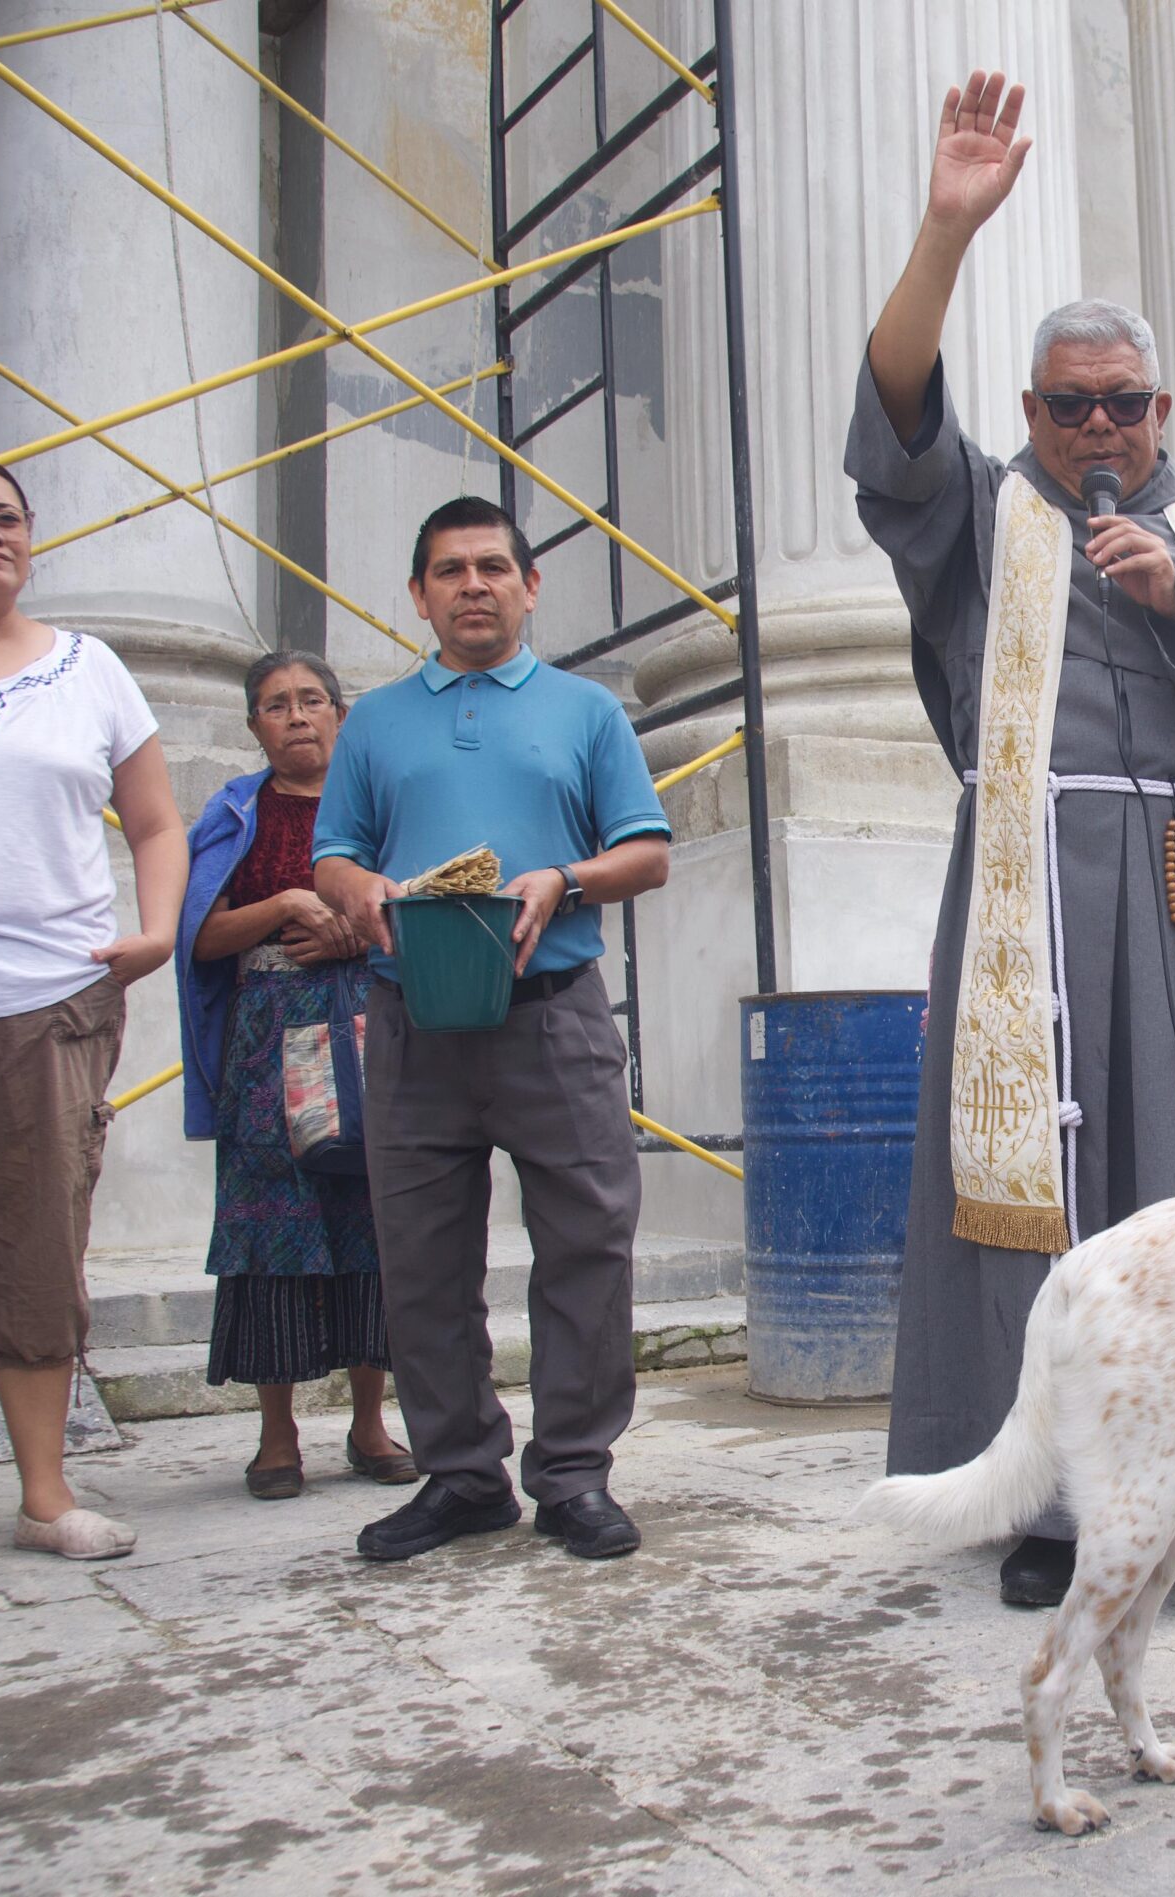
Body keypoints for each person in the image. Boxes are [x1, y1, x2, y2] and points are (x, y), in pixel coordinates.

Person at [849, 71, 1175, 1607]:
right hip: (1037, 905)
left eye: (1123, 404)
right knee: (1048, 1205)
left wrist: (1168, 600)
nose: (1097, 429)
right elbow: (890, 431)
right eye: (1068, 405)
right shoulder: (981, 516)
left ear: (1161, 410)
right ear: (1032, 415)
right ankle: (1059, 1512)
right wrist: (945, 231)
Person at [314, 498, 672, 1563]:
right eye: (449, 571)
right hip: (412, 1021)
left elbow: (646, 851)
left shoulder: (586, 712)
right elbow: (332, 853)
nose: (472, 585)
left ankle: (571, 1474)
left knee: (586, 1247)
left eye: (491, 567)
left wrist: (563, 877)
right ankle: (461, 1474)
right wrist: (362, 890)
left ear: (529, 585)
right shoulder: (375, 721)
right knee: (421, 1262)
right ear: (419, 596)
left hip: (554, 1020)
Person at [0, 448, 184, 1559]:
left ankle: (43, 1496)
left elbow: (155, 822)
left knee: (34, 1247)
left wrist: (157, 926)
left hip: (47, 999)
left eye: (6, 515)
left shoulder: (90, 669)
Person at [178, 652, 415, 1501]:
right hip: (264, 1045)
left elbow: (413, 904)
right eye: (276, 705)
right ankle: (276, 1436)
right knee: (268, 1231)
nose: (298, 716)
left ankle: (370, 1423)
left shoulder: (374, 811)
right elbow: (199, 938)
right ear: (253, 726)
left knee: (371, 1220)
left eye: (313, 699)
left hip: (364, 1025)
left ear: (341, 715)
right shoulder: (234, 814)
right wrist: (282, 906)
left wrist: (351, 934)